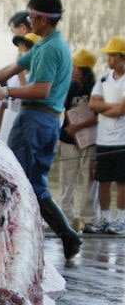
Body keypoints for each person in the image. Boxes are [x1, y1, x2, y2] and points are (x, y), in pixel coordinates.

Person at [0, 0, 81, 259]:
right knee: (32, 184)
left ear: (41, 19)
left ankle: (15, 239)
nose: (29, 20)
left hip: (36, 119)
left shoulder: (49, 49)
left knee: (14, 181)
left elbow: (41, 89)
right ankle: (67, 235)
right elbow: (11, 69)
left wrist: (5, 93)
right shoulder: (46, 44)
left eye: (32, 16)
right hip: (44, 121)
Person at [85, 37, 125, 234]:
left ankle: (121, 219)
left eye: (113, 55)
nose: (109, 59)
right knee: (102, 180)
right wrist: (112, 107)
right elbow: (93, 104)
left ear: (122, 57)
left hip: (121, 139)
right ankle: (105, 218)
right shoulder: (103, 78)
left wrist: (106, 108)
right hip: (103, 139)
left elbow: (122, 110)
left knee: (121, 181)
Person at [58, 48, 99, 233]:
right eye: (73, 66)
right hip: (68, 137)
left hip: (89, 138)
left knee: (89, 178)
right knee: (67, 178)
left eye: (78, 67)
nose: (74, 70)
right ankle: (65, 217)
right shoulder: (69, 86)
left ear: (86, 70)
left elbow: (99, 115)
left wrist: (79, 128)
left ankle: (88, 218)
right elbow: (65, 109)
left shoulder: (95, 88)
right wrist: (71, 130)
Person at [0, 33, 40, 142]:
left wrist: (20, 75)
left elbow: (29, 97)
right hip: (7, 128)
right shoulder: (12, 76)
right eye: (20, 49)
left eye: (26, 49)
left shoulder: (39, 77)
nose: (21, 53)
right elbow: (3, 106)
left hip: (24, 131)